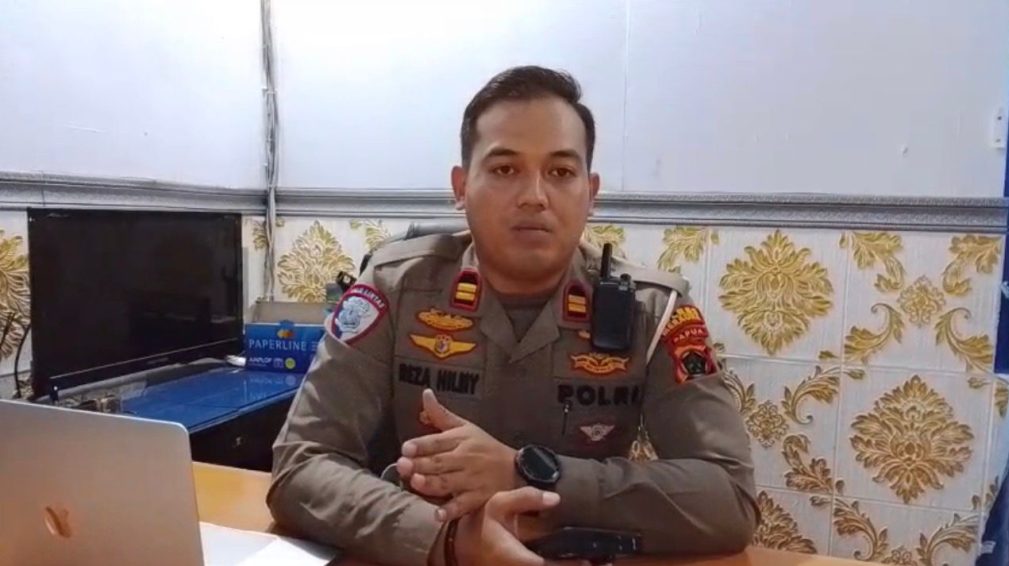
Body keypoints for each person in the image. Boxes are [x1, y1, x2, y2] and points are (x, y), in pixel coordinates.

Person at [267, 65, 758, 566]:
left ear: (590, 193)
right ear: (461, 187)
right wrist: (450, 541)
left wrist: (530, 472)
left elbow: (730, 499)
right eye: (505, 170)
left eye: (560, 173)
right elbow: (300, 465)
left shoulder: (653, 311)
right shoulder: (393, 289)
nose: (534, 196)